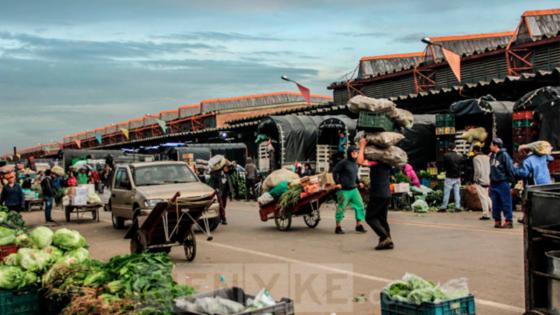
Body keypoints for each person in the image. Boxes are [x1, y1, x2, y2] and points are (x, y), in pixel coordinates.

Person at [357, 137, 394, 250]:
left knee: (370, 217)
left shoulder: (375, 162)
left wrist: (362, 146)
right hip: (387, 194)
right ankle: (387, 241)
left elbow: (359, 161)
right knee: (382, 219)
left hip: (378, 194)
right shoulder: (388, 162)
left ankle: (384, 237)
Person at [514, 147, 553, 223]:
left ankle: (529, 218)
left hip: (534, 184)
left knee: (529, 202)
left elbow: (524, 173)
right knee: (545, 201)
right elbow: (551, 158)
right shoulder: (543, 156)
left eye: (520, 153)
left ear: (524, 152)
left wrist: (515, 168)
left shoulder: (527, 160)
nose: (519, 155)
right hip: (546, 181)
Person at [332, 146, 366, 234]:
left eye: (357, 152)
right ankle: (338, 227)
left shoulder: (355, 163)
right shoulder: (343, 163)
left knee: (360, 206)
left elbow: (355, 175)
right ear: (349, 153)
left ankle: (359, 225)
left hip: (354, 189)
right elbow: (335, 171)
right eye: (353, 152)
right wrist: (337, 183)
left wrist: (359, 182)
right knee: (341, 208)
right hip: (343, 190)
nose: (356, 154)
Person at [489, 138, 515, 229]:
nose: (490, 146)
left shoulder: (504, 155)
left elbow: (510, 169)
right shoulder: (492, 156)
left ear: (496, 145)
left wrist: (511, 183)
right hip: (494, 183)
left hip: (503, 182)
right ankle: (497, 220)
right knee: (495, 203)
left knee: (506, 202)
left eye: (491, 145)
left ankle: (508, 221)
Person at [438, 143, 464, 212]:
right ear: (455, 148)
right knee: (457, 192)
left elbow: (444, 166)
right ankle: (457, 206)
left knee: (447, 192)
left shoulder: (446, 155)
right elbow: (462, 166)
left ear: (449, 148)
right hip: (457, 177)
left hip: (449, 176)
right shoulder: (459, 156)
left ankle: (444, 207)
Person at [472, 145, 492, 220]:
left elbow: (478, 170)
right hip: (487, 179)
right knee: (486, 196)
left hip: (480, 180)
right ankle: (493, 210)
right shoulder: (487, 157)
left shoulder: (476, 158)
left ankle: (485, 214)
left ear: (475, 151)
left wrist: (476, 179)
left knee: (483, 197)